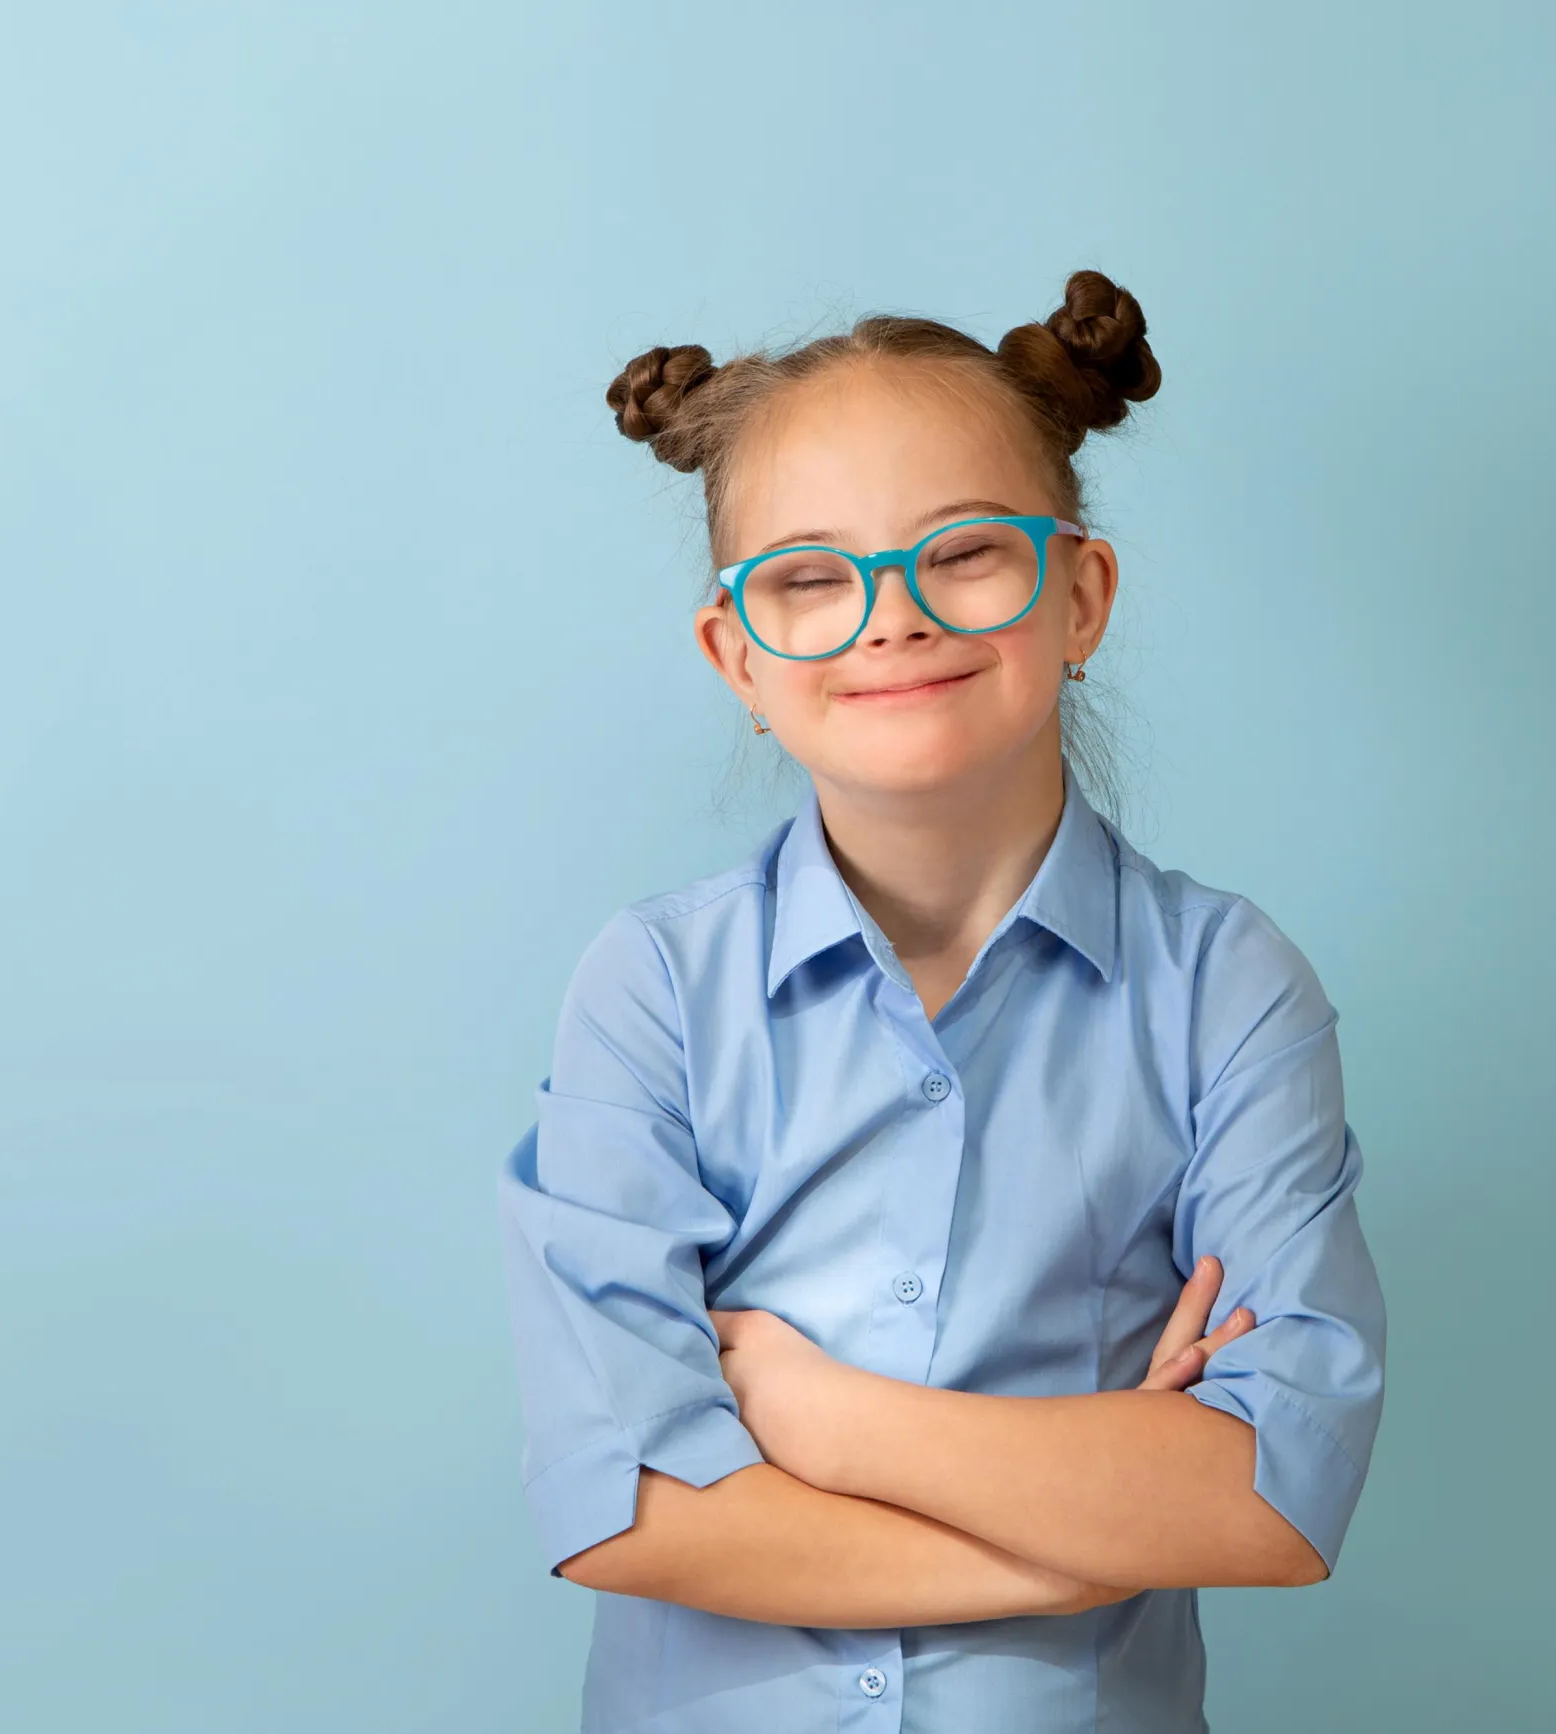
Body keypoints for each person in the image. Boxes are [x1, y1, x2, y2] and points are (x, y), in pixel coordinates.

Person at [495, 270, 1387, 1733]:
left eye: (965, 553)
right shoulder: (651, 987)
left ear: (1082, 596)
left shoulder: (1228, 987)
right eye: (810, 576)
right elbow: (631, 1506)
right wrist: (1085, 1528)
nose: (892, 619)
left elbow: (1268, 1497)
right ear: (738, 655)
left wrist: (821, 1419)